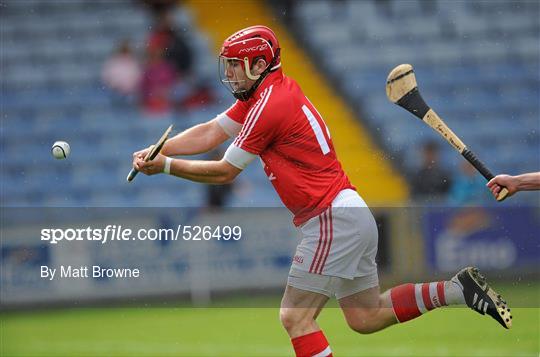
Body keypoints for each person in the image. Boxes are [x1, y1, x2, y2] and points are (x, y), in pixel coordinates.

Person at [132, 25, 512, 357]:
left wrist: (164, 166)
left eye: (234, 63)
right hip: (346, 213)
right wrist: (161, 148)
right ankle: (456, 290)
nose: (229, 72)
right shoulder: (263, 96)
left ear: (258, 65)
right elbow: (212, 131)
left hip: (331, 217)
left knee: (294, 316)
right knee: (366, 317)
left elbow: (224, 172)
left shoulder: (269, 105)